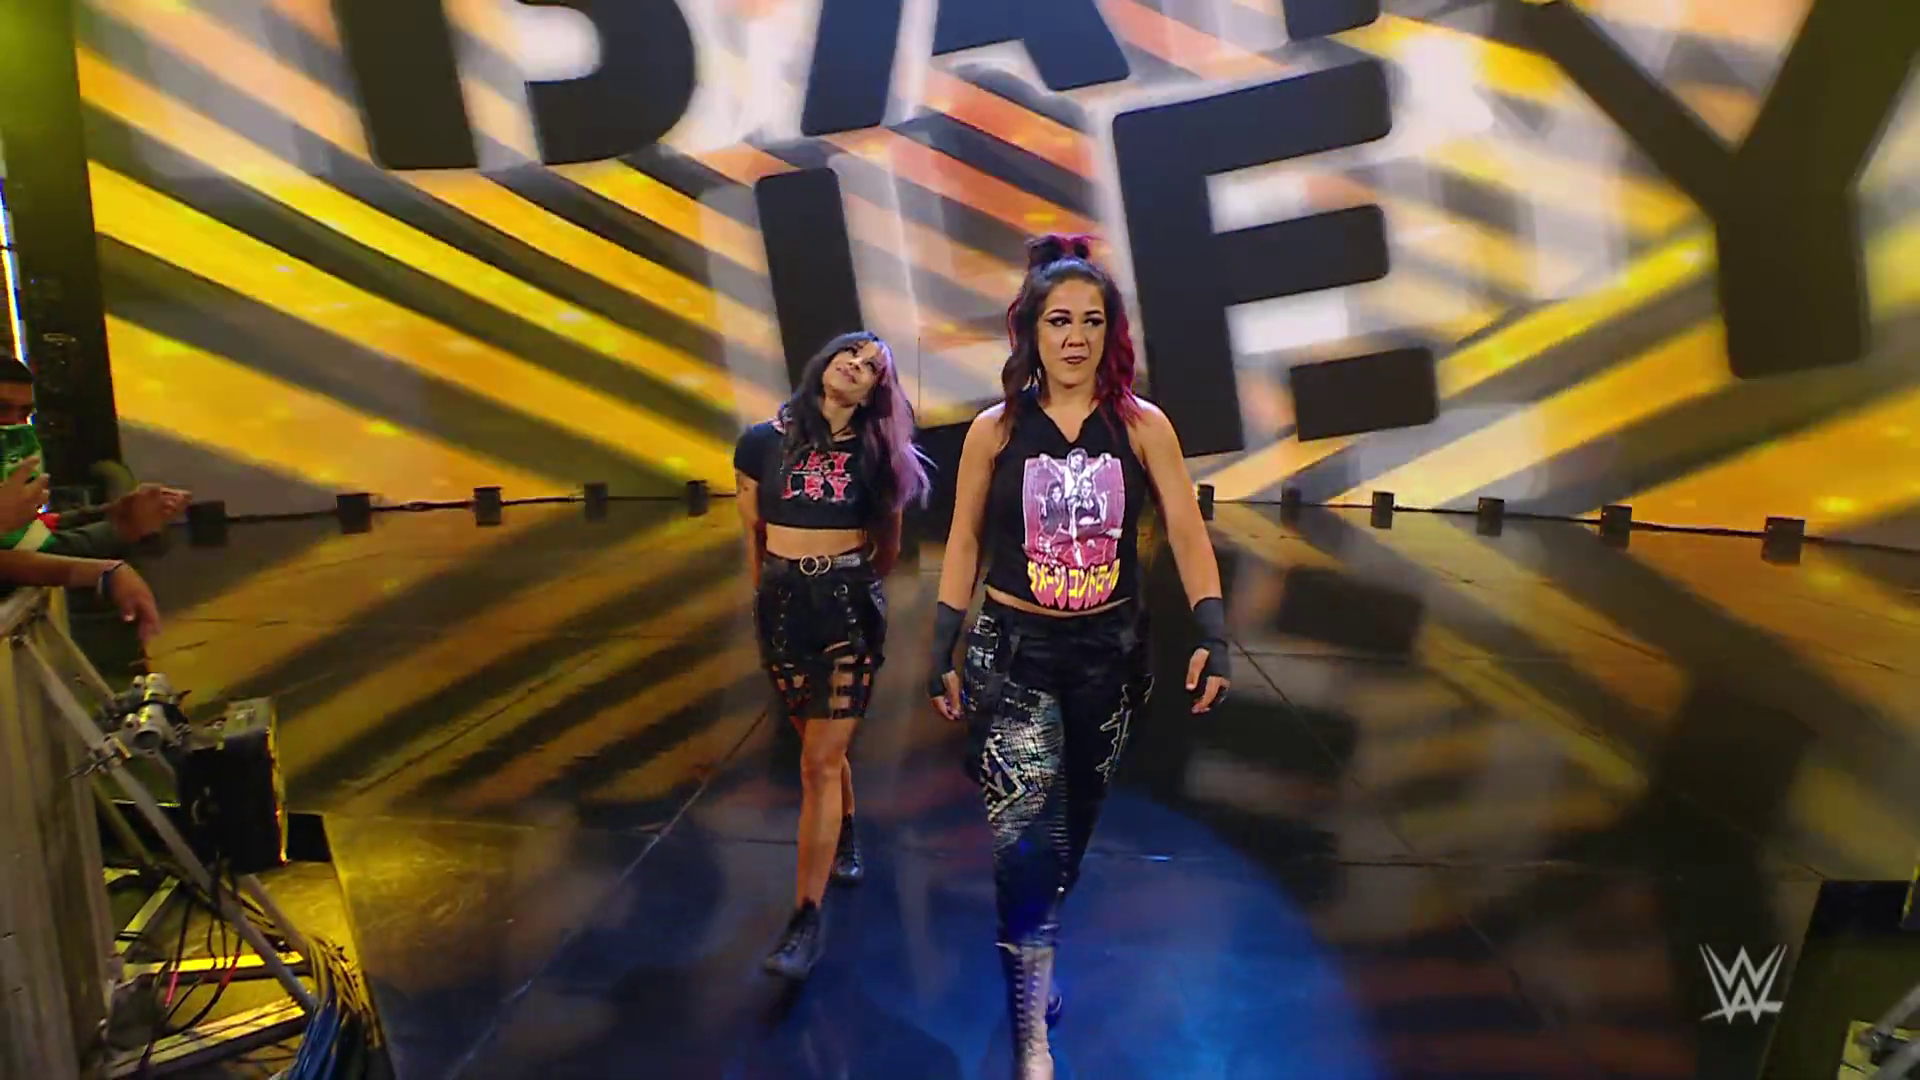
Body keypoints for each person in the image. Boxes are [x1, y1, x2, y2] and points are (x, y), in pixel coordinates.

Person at [926, 235, 1231, 1078]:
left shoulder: (1142, 426)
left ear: (1110, 332)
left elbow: (1186, 531)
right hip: (1014, 654)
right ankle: (1031, 1029)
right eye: (1059, 320)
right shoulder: (994, 431)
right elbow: (962, 542)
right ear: (1031, 329)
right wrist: (942, 641)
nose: (1075, 337)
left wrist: (1213, 634)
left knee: (1069, 839)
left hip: (1108, 654)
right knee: (1023, 843)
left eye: (1092, 321)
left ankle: (1039, 948)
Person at [734, 330, 929, 979]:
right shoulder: (760, 443)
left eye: (872, 367)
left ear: (876, 392)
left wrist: (842, 580)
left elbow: (887, 548)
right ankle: (845, 828)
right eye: (851, 352)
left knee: (818, 762)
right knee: (817, 746)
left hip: (846, 605)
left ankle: (804, 919)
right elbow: (753, 534)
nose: (856, 365)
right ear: (825, 361)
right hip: (781, 606)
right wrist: (768, 600)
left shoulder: (878, 456)